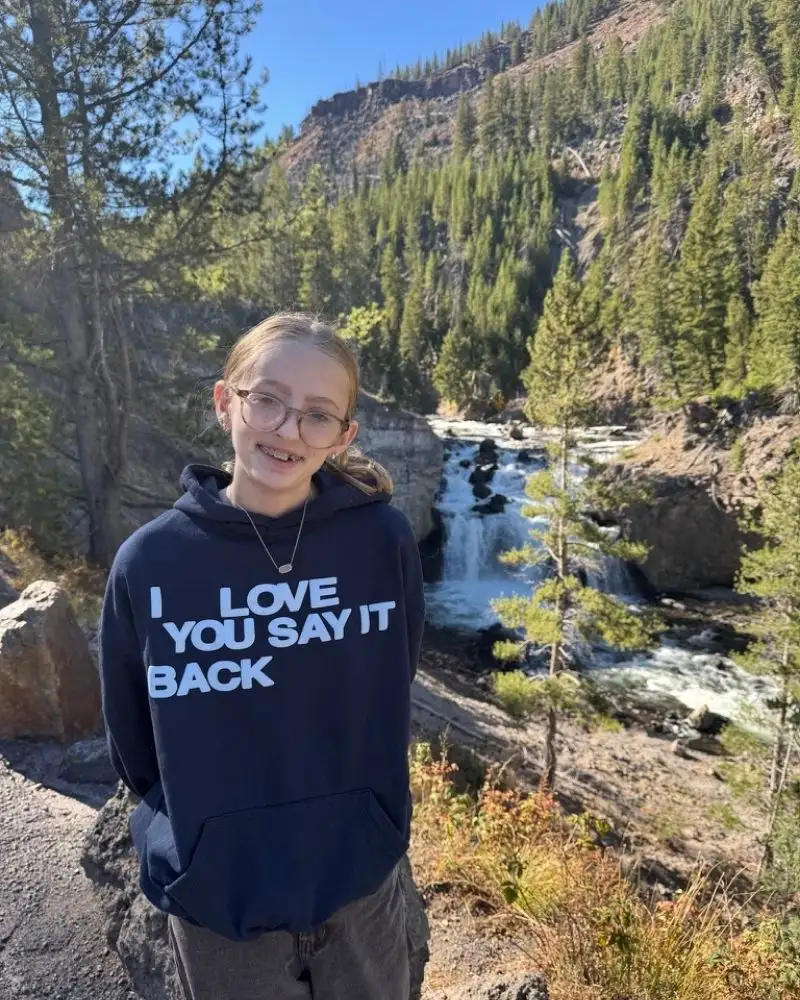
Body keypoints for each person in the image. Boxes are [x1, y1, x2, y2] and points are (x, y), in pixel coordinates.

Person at [98, 312, 426, 1000]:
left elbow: (393, 678)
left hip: (357, 881)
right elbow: (136, 743)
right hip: (221, 902)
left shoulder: (381, 543)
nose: (286, 430)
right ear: (226, 402)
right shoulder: (152, 564)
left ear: (344, 436)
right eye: (267, 400)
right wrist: (208, 844)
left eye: (316, 414)